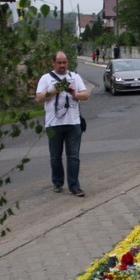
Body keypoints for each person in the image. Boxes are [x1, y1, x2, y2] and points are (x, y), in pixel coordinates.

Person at [36, 51, 90, 196]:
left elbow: (85, 95)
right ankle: (58, 182)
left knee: (73, 156)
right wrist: (54, 90)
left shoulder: (74, 77)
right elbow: (39, 98)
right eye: (59, 63)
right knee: (55, 156)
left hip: (73, 122)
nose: (62, 65)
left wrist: (75, 94)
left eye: (64, 62)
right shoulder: (46, 78)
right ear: (53, 63)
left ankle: (74, 185)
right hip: (54, 124)